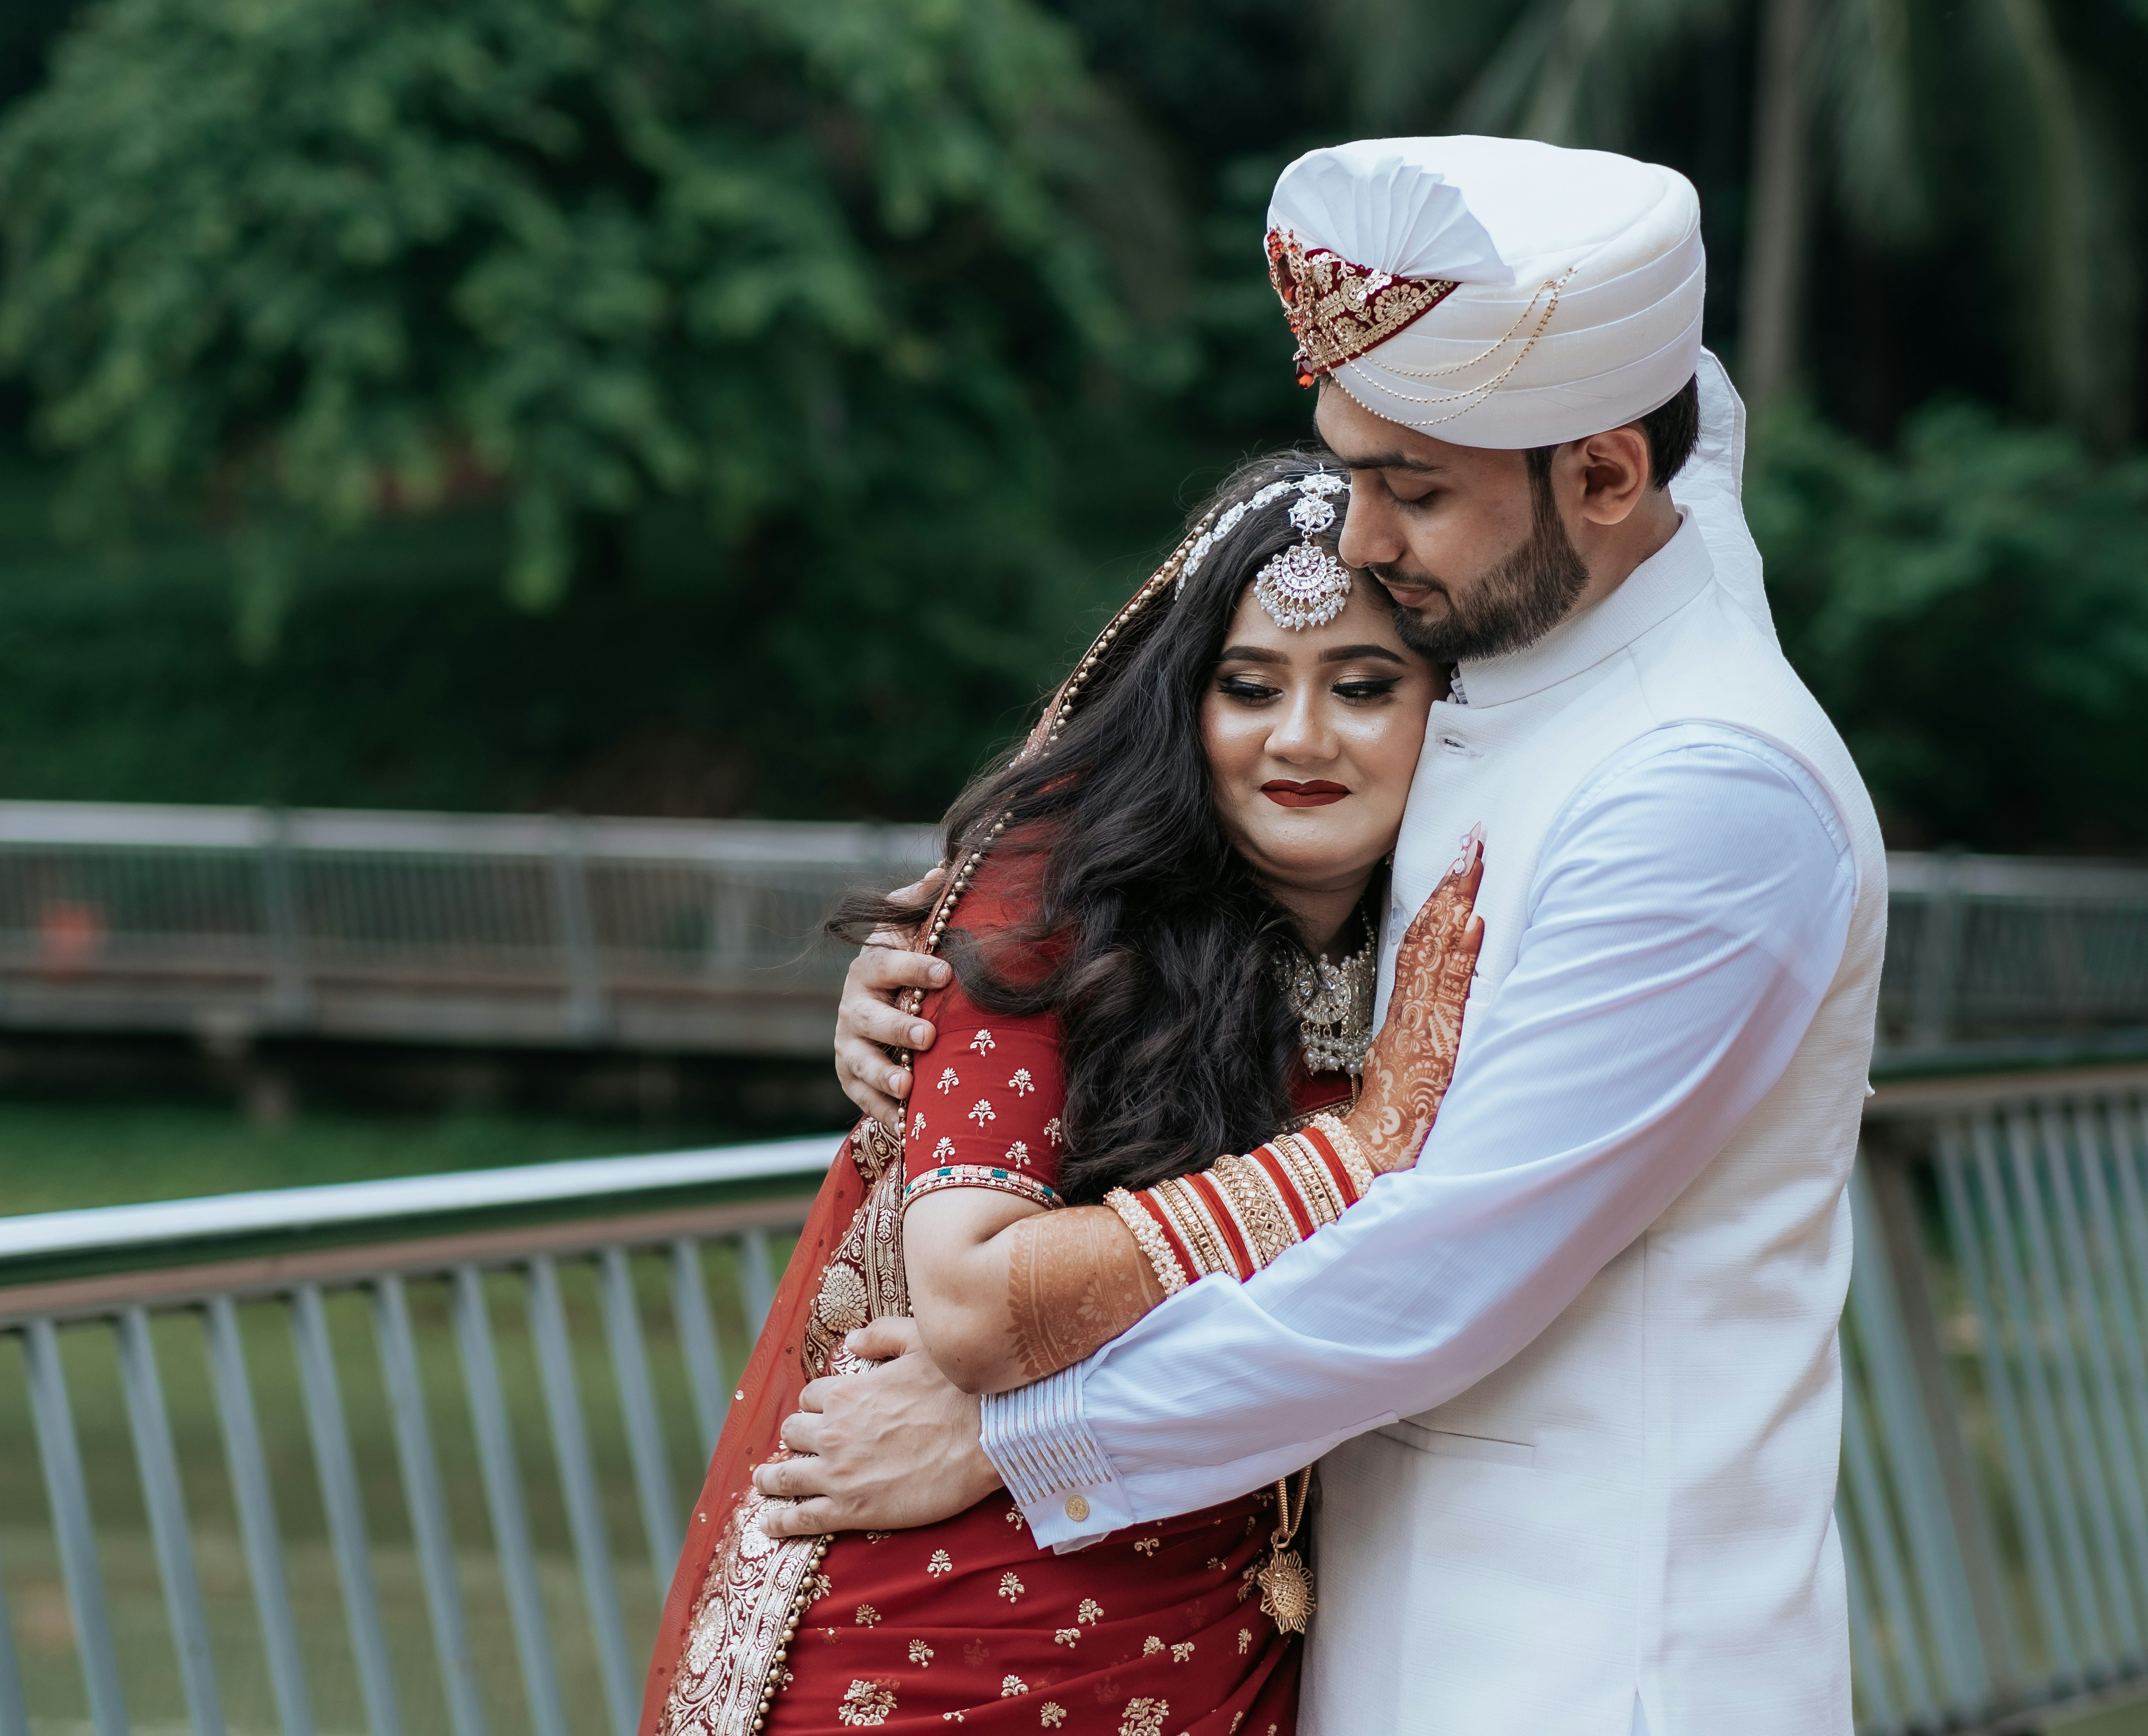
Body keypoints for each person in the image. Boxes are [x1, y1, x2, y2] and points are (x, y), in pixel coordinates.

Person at [783, 136, 1889, 1736]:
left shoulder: (1706, 795)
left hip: (1589, 1662)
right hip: (1386, 1623)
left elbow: (1437, 1275)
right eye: (1351, 465)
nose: (1357, 541)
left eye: (1414, 489)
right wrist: (959, 977)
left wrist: (1018, 1440)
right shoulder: (1553, 605)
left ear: (1602, 476)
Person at [638, 449, 1489, 1736]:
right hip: (932, 1635)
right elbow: (975, 1303)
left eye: (1365, 688)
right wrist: (1359, 1151)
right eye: (1247, 687)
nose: (1301, 739)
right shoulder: (1058, 900)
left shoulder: (1445, 944)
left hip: (1217, 1642)